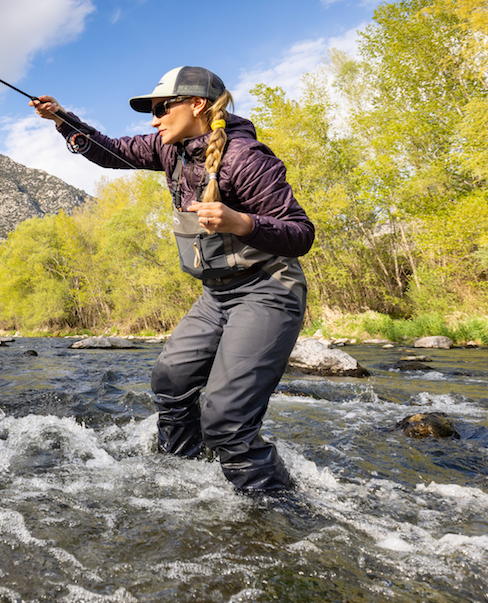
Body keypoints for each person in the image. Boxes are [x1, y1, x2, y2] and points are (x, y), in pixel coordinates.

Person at [32, 66, 314, 494]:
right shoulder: (172, 150)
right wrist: (62, 120)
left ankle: (276, 514)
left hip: (268, 288)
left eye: (162, 108)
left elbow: (300, 233)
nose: (154, 119)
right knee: (171, 380)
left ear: (197, 105)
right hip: (217, 294)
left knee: (227, 420)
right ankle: (183, 481)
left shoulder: (246, 158)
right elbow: (109, 149)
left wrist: (242, 222)